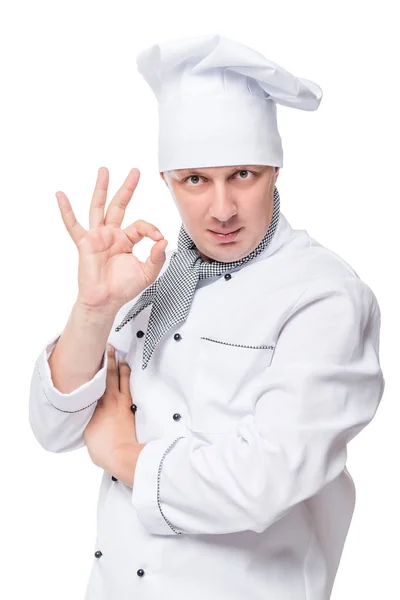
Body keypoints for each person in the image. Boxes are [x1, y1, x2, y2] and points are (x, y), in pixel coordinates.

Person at [28, 33, 385, 600]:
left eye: (242, 174)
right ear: (169, 182)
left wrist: (123, 453)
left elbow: (262, 481)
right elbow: (55, 429)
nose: (221, 209)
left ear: (274, 170)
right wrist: (93, 311)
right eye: (196, 179)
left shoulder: (325, 297)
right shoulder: (156, 284)